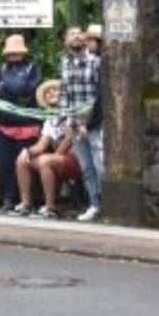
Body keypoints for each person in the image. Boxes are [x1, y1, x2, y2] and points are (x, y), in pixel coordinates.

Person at [9, 79, 82, 219]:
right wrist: (28, 151)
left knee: (44, 161)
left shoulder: (72, 112)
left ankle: (50, 208)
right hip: (60, 158)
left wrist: (52, 157)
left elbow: (69, 140)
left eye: (54, 90)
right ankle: (26, 204)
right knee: (22, 159)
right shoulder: (50, 119)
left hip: (78, 157)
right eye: (47, 92)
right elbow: (41, 145)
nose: (51, 93)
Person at [0, 34, 41, 214]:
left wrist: (7, 87)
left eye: (17, 53)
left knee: (24, 164)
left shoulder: (32, 68)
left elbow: (27, 89)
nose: (13, 56)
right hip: (6, 124)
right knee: (5, 164)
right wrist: (13, 89)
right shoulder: (0, 69)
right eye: (11, 53)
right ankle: (8, 199)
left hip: (27, 125)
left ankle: (26, 200)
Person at [59, 27, 103, 222]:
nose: (76, 36)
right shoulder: (65, 64)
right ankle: (94, 204)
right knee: (86, 168)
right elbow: (64, 95)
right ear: (66, 41)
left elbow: (100, 96)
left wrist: (88, 122)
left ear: (84, 38)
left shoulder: (96, 62)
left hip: (95, 123)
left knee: (101, 164)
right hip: (76, 125)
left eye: (79, 33)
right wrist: (66, 121)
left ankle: (107, 203)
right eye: (71, 34)